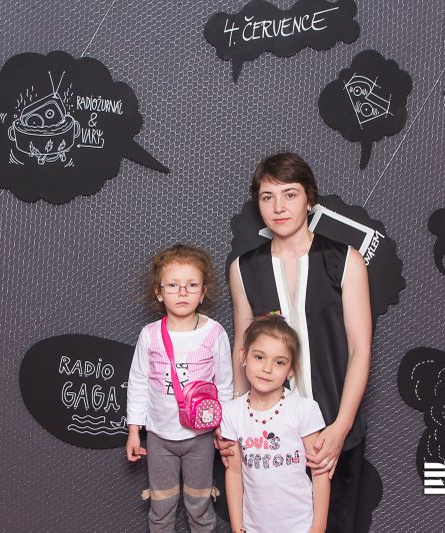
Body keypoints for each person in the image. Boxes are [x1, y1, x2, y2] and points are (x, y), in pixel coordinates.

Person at [226, 152, 372, 533]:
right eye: (267, 196)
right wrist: (234, 425)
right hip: (266, 441)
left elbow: (360, 349)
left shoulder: (345, 260)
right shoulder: (244, 268)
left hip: (333, 432)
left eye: (289, 195)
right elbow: (242, 349)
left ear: (309, 199)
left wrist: (340, 427)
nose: (279, 207)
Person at [126, 244, 234, 532]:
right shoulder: (150, 335)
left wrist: (223, 428)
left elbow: (224, 385)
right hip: (159, 437)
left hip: (200, 437)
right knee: (161, 505)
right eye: (173, 285)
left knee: (199, 504)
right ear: (159, 292)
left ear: (203, 292)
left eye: (192, 285)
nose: (183, 292)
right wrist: (134, 430)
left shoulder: (214, 333)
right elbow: (138, 382)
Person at [221, 315, 330, 533]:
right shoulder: (232, 412)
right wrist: (237, 528)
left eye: (279, 362)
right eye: (259, 357)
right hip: (253, 527)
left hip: (300, 526)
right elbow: (233, 473)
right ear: (243, 356)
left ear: (291, 369)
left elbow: (319, 473)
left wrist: (318, 528)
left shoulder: (304, 410)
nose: (267, 368)